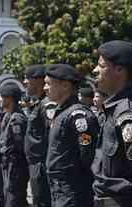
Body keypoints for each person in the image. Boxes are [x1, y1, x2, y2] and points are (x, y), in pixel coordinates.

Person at [91, 40, 132, 207]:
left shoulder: (128, 115)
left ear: (119, 70)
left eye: (101, 66)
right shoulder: (113, 109)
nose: (95, 70)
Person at [44, 64, 99, 207]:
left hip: (73, 189)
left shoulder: (78, 115)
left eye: (48, 84)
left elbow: (87, 155)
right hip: (60, 188)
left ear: (65, 86)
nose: (45, 88)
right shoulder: (62, 112)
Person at [23, 64, 54, 207]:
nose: (24, 82)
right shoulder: (39, 103)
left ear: (37, 81)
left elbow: (51, 137)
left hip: (42, 164)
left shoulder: (47, 105)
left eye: (27, 79)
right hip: (36, 162)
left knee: (42, 201)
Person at [0, 85, 29, 207]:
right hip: (9, 164)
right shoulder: (8, 115)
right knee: (11, 196)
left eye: (1, 97)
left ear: (9, 99)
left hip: (16, 166)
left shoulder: (18, 119)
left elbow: (20, 145)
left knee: (14, 198)